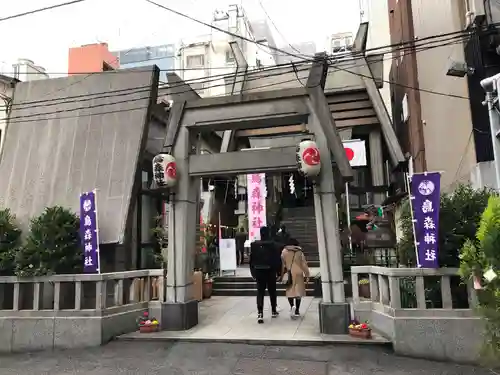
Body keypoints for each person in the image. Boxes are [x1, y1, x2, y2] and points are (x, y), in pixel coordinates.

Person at [249, 226, 282, 324]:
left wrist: (253, 272)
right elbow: (277, 260)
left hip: (259, 271)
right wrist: (279, 272)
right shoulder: (273, 245)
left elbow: (251, 260)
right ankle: (273, 310)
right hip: (270, 271)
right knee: (272, 291)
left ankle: (260, 313)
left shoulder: (254, 245)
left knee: (260, 292)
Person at [281, 238, 310, 319]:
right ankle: (297, 310)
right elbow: (303, 264)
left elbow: (283, 264)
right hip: (299, 273)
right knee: (298, 292)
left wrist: (282, 274)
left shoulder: (284, 251)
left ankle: (292, 306)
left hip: (289, 273)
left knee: (290, 291)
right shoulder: (299, 252)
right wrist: (307, 274)